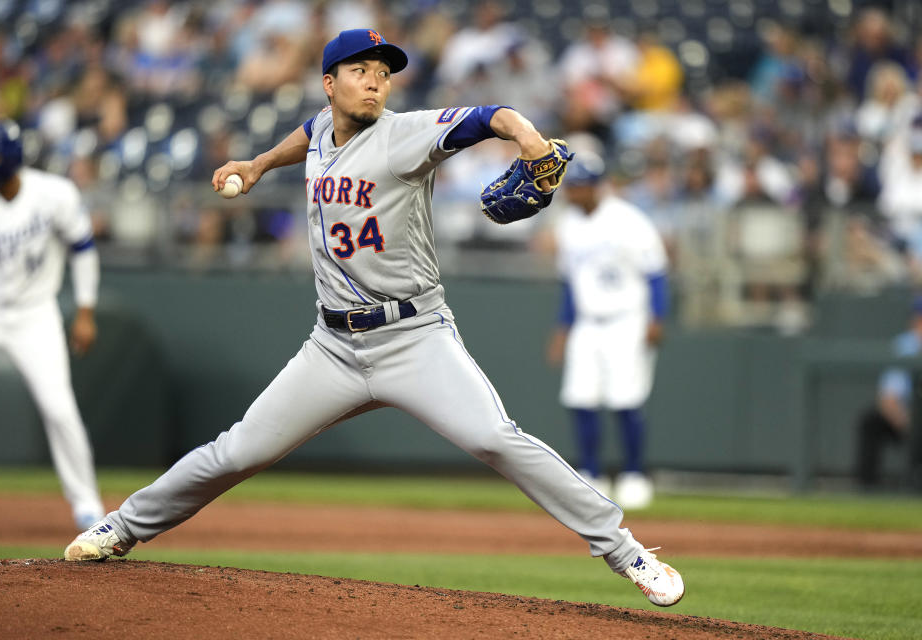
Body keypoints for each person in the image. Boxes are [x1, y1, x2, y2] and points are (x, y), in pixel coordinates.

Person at [64, 29, 684, 607]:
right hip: (331, 347)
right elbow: (308, 134)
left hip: (414, 337)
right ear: (329, 83)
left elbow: (485, 117)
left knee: (495, 437)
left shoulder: (405, 133)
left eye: (382, 74)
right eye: (359, 70)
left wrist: (524, 135)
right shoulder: (319, 134)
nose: (374, 81)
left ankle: (627, 553)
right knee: (236, 452)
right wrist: (255, 165)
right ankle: (123, 526)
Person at [0, 120, 106, 531]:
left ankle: (88, 507)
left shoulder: (54, 193)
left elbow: (82, 249)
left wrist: (85, 311)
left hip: (34, 314)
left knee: (59, 408)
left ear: (8, 158)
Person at [546, 153, 669, 509]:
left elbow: (656, 273)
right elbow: (570, 282)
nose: (575, 192)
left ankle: (634, 473)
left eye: (582, 186)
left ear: (598, 186)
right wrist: (563, 328)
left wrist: (656, 318)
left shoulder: (628, 220)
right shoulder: (569, 224)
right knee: (580, 396)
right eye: (573, 186)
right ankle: (591, 473)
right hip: (588, 321)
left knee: (625, 399)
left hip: (626, 319)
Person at [855, 298, 922, 488]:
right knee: (870, 421)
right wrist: (909, 423)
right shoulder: (904, 345)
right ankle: (866, 489)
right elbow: (888, 398)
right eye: (918, 319)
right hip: (905, 417)